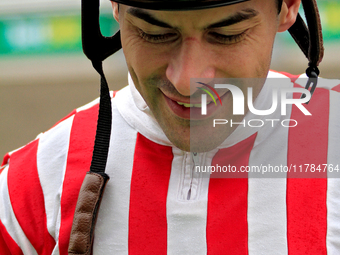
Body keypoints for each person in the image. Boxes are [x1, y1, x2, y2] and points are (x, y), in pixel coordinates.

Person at [1, 0, 340, 254]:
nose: (187, 82)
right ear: (116, 10)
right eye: (155, 33)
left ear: (289, 7)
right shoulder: (31, 182)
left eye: (226, 35)